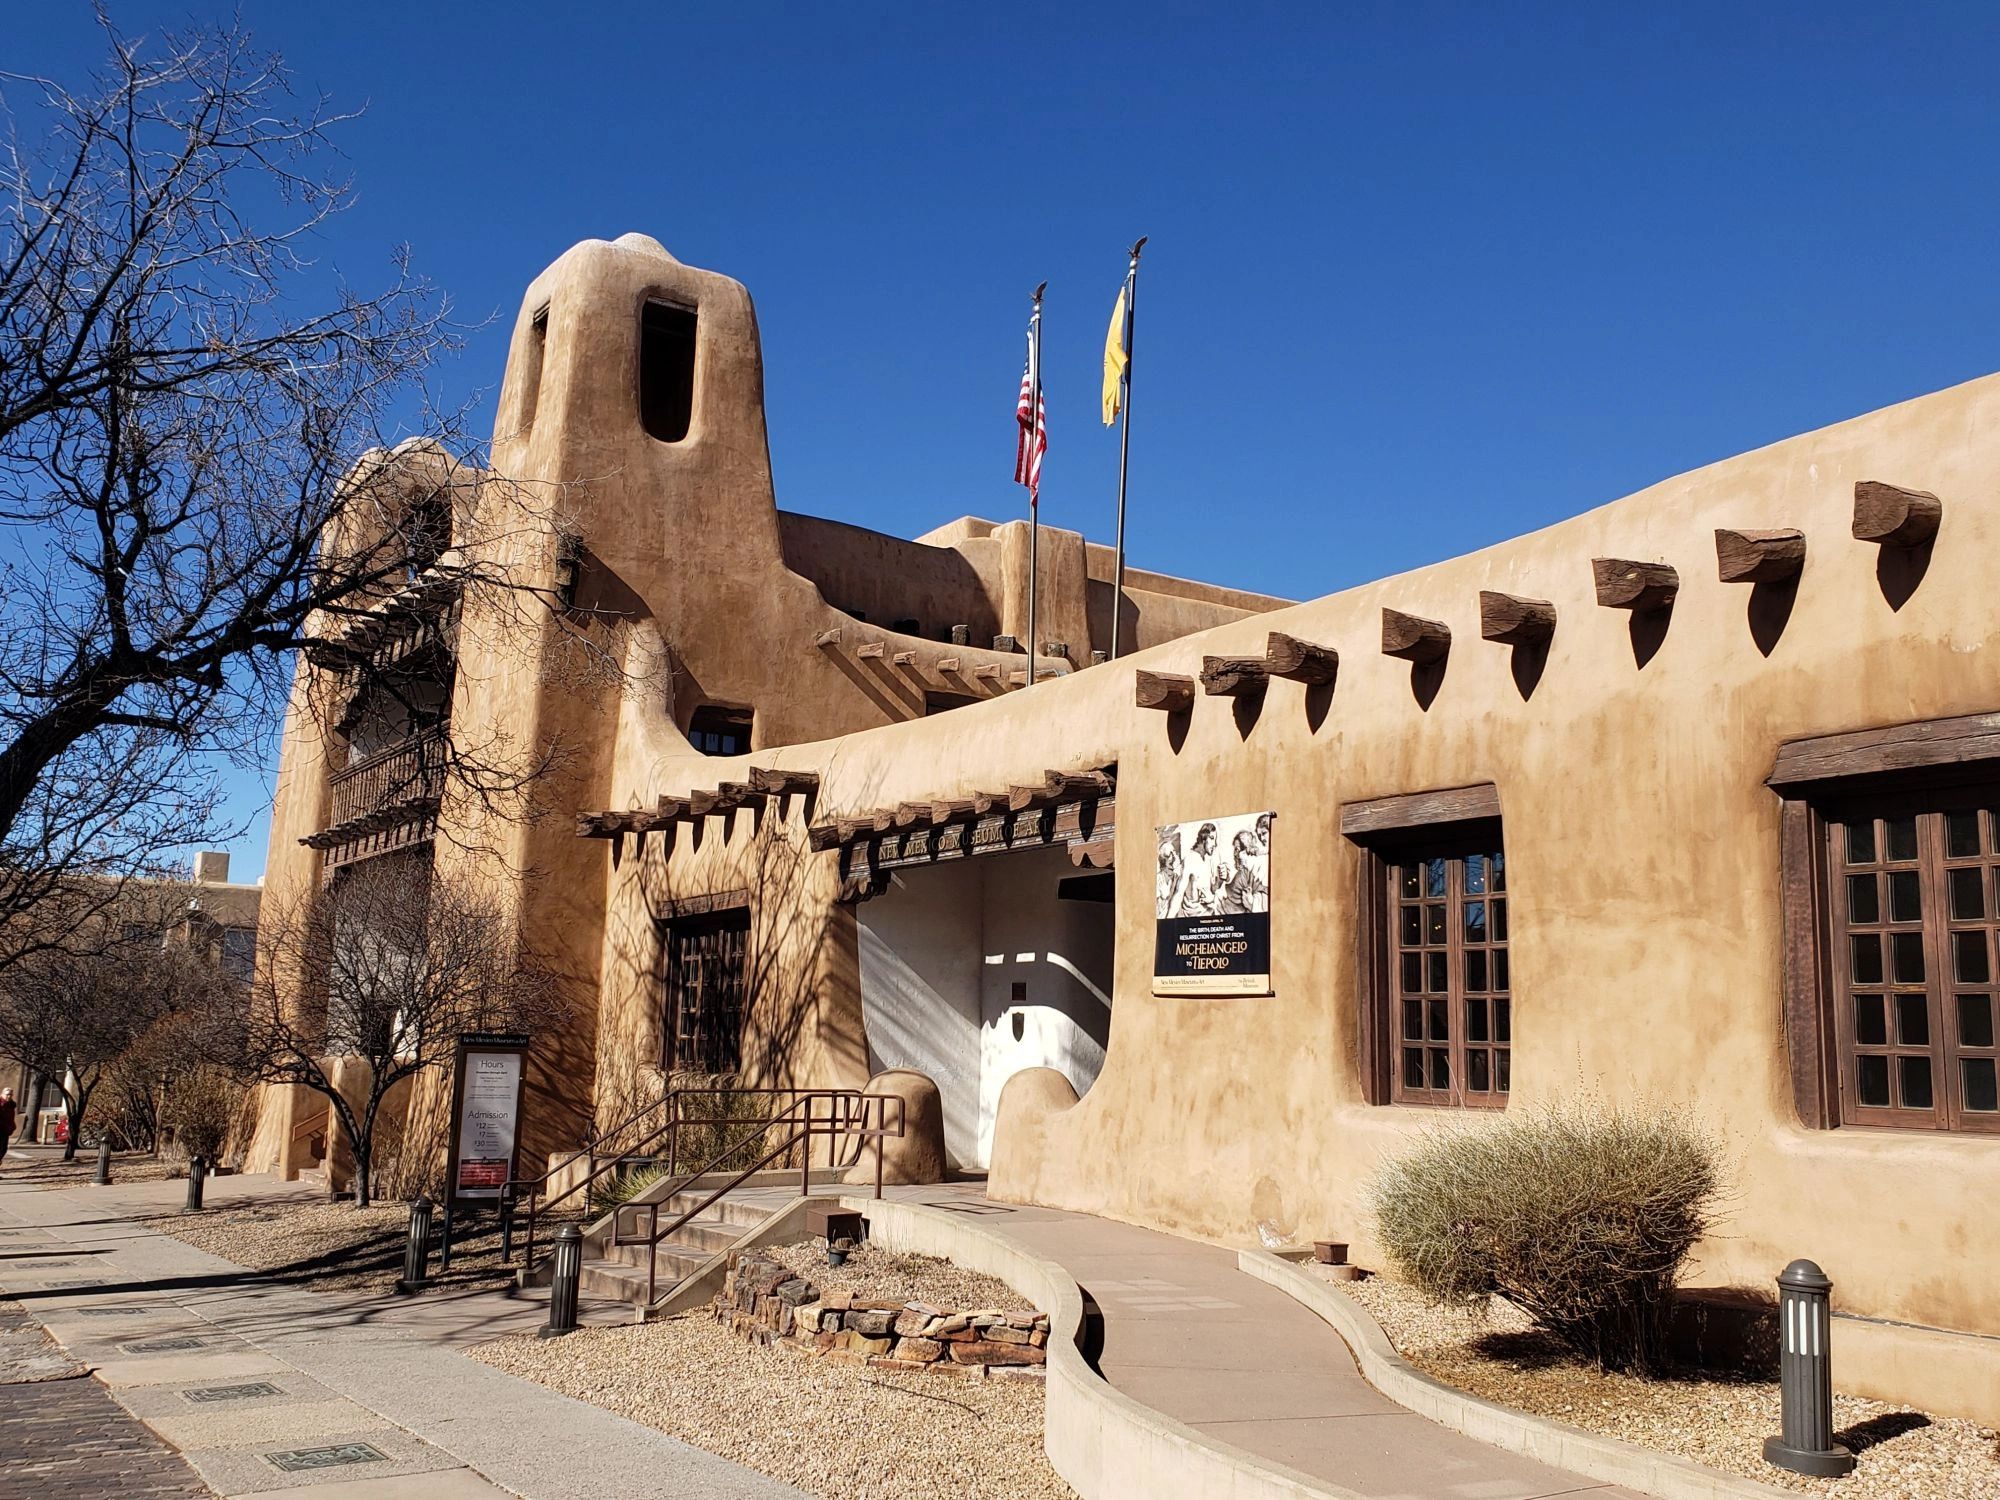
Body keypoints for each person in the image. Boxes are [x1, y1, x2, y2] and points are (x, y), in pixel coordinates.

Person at [0, 1087, 16, 1169]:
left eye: (10, 1095)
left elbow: (10, 1117)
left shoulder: (11, 1105)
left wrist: (12, 1126)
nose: (9, 1096)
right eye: (7, 1094)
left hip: (5, 1130)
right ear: (2, 1094)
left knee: (3, 1150)